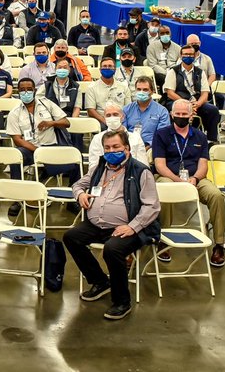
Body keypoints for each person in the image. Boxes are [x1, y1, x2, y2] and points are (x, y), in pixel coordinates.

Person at [65, 130, 160, 320]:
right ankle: (100, 282)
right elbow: (77, 185)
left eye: (116, 147)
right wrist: (80, 195)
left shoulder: (140, 171)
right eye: (107, 148)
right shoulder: (99, 168)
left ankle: (122, 301)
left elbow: (152, 206)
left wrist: (133, 227)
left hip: (128, 226)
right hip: (96, 224)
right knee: (71, 237)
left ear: (126, 148)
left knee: (112, 249)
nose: (111, 151)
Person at [152, 99, 225, 267]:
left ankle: (219, 244)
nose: (180, 117)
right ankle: (163, 239)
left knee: (217, 196)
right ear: (171, 115)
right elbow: (160, 165)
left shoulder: (200, 136)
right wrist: (178, 181)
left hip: (195, 179)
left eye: (184, 114)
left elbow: (203, 165)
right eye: (177, 114)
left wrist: (194, 179)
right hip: (169, 177)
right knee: (165, 188)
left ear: (191, 116)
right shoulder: (161, 134)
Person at [6, 78, 77, 189]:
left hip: (52, 146)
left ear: (34, 90)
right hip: (31, 149)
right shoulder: (14, 113)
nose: (26, 92)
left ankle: (73, 194)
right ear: (18, 92)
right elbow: (17, 140)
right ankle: (18, 194)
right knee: (15, 156)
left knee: (76, 158)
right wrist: (37, 150)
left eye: (29, 89)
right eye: (22, 90)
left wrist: (51, 123)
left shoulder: (46, 103)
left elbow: (66, 123)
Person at [163, 45, 221, 142]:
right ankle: (175, 138)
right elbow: (169, 93)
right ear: (181, 56)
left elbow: (205, 93)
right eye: (185, 54)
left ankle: (211, 140)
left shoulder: (200, 72)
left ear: (194, 56)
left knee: (213, 110)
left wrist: (198, 104)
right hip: (177, 101)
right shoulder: (173, 71)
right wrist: (186, 104)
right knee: (178, 110)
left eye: (190, 54)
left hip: (196, 103)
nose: (188, 56)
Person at [87, 103, 147, 170]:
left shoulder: (136, 138)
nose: (112, 118)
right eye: (108, 115)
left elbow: (143, 165)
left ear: (123, 117)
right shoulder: (97, 138)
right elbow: (94, 166)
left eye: (115, 114)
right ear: (104, 118)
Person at [122, 77, 171, 146]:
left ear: (152, 91)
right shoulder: (126, 109)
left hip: (152, 146)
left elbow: (162, 135)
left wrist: (148, 147)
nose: (141, 92)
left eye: (145, 90)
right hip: (130, 145)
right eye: (139, 89)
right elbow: (122, 133)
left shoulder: (162, 111)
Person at [85, 57, 130, 127]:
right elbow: (91, 110)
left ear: (115, 69)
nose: (107, 68)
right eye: (104, 66)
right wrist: (105, 121)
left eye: (110, 66)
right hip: (101, 120)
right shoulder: (91, 87)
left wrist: (120, 120)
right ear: (100, 70)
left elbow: (128, 107)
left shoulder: (123, 86)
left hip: (120, 119)